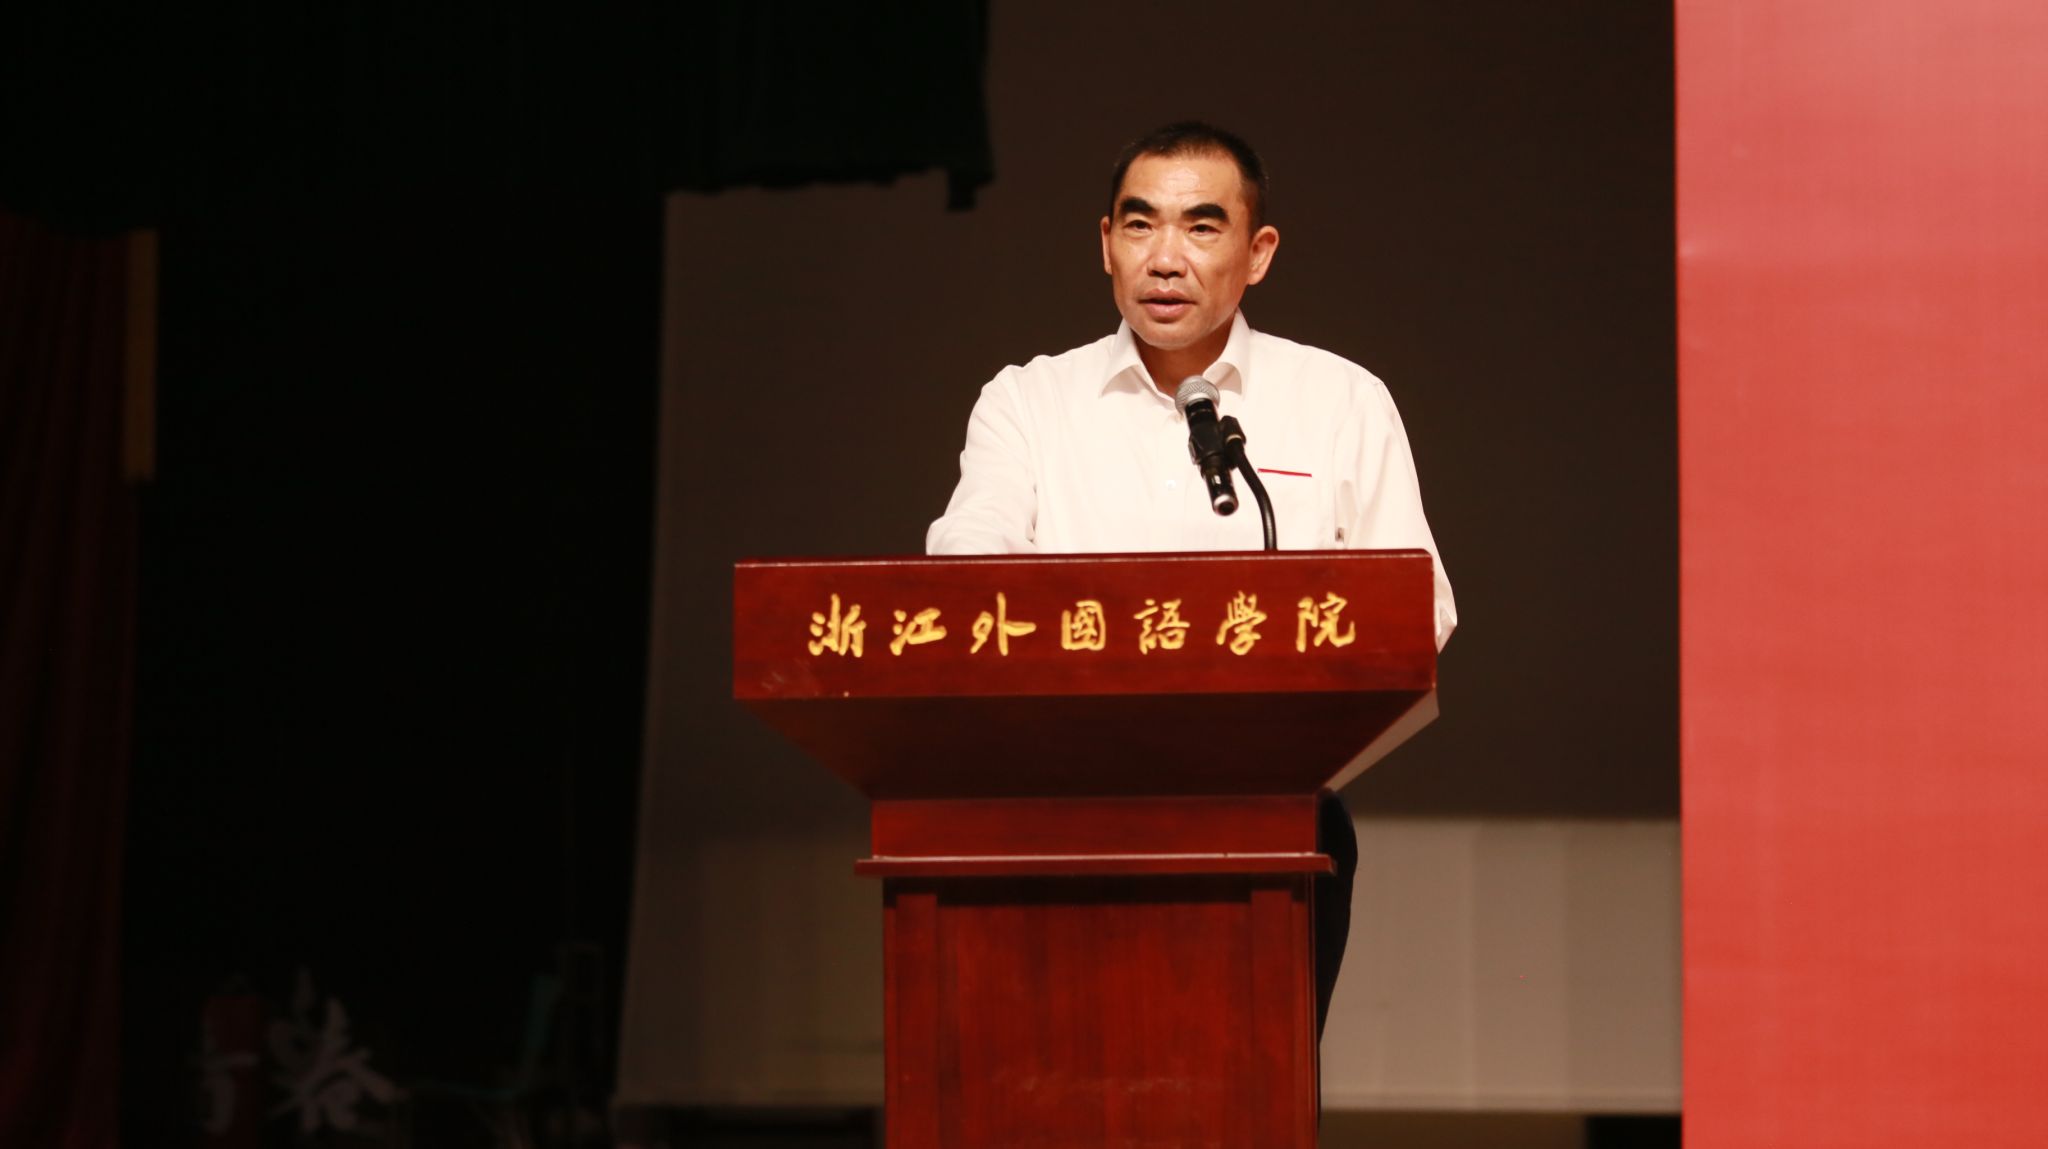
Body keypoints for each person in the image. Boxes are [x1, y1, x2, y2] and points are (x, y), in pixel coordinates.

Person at [926, 121, 1457, 1035]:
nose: (1165, 258)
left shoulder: (1340, 400)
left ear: (1259, 253)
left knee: (1251, 1087)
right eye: (1140, 225)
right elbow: (967, 575)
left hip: (1279, 817)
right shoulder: (1029, 402)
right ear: (1106, 243)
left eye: (1202, 227)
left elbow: (1416, 611)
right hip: (1060, 815)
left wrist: (1289, 745)